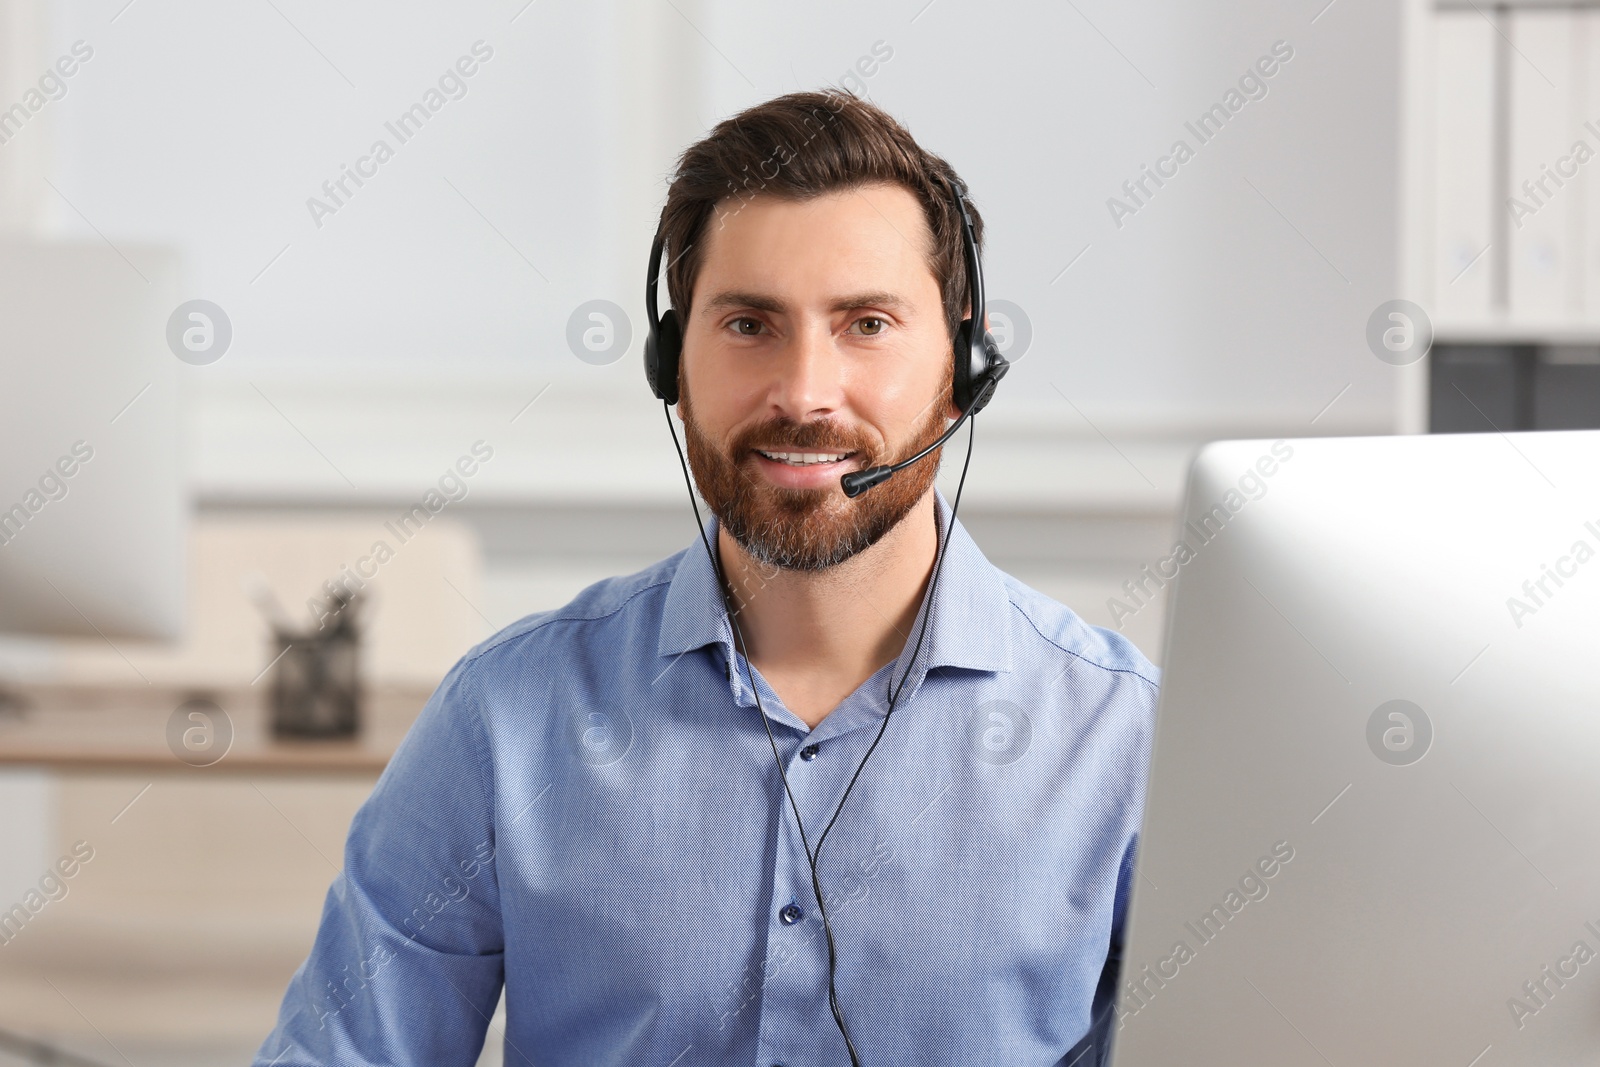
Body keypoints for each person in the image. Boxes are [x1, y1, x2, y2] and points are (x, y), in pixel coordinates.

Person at [254, 89, 1158, 1067]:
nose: (805, 392)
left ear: (965, 359)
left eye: (865, 323)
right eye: (747, 324)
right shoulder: (507, 716)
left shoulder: (1125, 743)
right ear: (669, 360)